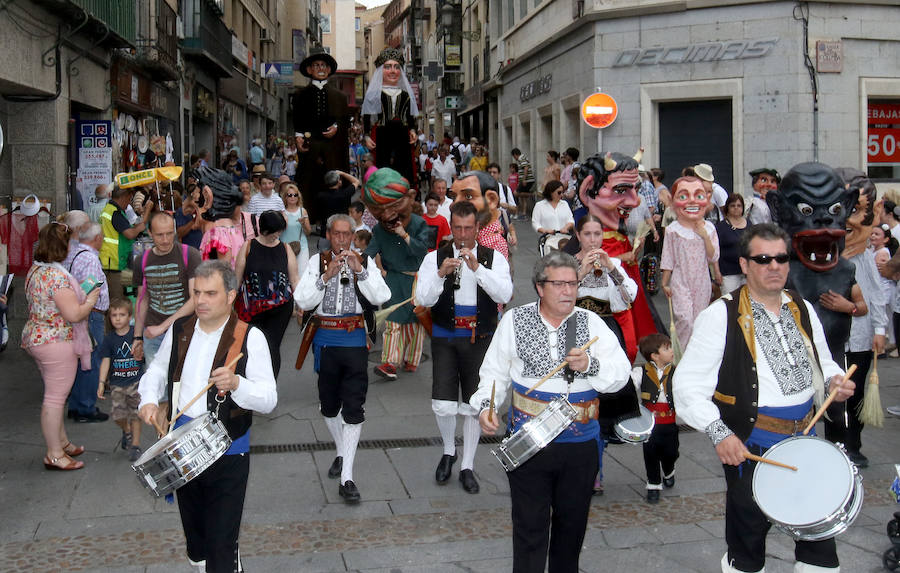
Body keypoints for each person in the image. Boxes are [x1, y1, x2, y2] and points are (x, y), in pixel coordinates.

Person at [674, 223, 854, 573]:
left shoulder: (801, 306)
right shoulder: (720, 316)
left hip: (806, 440)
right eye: (763, 259)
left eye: (781, 258)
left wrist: (834, 380)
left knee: (818, 545)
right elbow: (686, 386)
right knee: (748, 549)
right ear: (744, 265)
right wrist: (719, 432)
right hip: (752, 448)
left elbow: (822, 357)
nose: (774, 266)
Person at [472, 251, 631, 573]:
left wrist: (591, 364)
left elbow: (621, 375)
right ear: (539, 287)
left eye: (573, 284)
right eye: (559, 284)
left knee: (571, 531)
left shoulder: (591, 322)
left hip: (581, 444)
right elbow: (494, 373)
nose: (568, 291)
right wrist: (487, 406)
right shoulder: (515, 320)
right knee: (529, 528)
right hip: (530, 443)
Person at [138, 260, 277, 572]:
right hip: (183, 448)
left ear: (230, 296)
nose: (200, 300)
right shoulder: (181, 329)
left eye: (210, 293)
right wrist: (148, 400)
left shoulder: (250, 337)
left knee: (220, 546)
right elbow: (158, 369)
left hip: (229, 451)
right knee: (197, 545)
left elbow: (269, 399)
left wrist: (237, 384)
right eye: (196, 292)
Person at [415, 201, 513, 493]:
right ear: (451, 226)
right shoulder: (435, 257)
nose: (462, 235)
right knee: (443, 403)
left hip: (480, 336)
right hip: (446, 334)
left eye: (468, 228)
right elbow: (423, 298)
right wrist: (440, 274)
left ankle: (468, 465)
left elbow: (505, 293)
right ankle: (449, 450)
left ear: (477, 228)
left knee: (475, 404)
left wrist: (478, 269)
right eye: (457, 228)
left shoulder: (494, 258)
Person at [294, 214, 391, 503]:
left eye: (346, 235)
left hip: (355, 339)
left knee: (353, 405)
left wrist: (360, 271)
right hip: (325, 340)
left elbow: (381, 295)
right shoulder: (316, 261)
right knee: (327, 406)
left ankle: (347, 475)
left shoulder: (365, 261)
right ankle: (341, 450)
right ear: (328, 234)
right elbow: (303, 300)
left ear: (353, 236)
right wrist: (326, 276)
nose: (341, 240)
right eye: (336, 234)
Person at [23, 221, 100, 470]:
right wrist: (91, 299)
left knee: (54, 395)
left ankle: (62, 443)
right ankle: (55, 454)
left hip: (38, 336)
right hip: (56, 341)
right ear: (63, 246)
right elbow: (75, 314)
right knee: (55, 399)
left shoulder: (36, 270)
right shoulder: (56, 277)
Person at [825, 168, 887, 468]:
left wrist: (879, 328)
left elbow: (877, 297)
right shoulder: (822, 258)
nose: (848, 219)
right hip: (831, 339)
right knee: (832, 392)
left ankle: (854, 443)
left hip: (860, 338)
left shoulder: (864, 260)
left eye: (856, 210)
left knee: (857, 392)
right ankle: (834, 442)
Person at [361, 169, 431, 380]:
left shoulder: (419, 224)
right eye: (379, 210)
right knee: (392, 321)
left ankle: (411, 358)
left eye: (393, 206)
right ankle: (390, 362)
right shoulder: (380, 231)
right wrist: (356, 263)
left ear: (409, 198)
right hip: (392, 279)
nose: (387, 215)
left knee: (414, 321)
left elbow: (421, 250)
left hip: (415, 279)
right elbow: (370, 253)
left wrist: (404, 234)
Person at [233, 211, 300, 378]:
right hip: (251, 308)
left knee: (271, 345)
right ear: (264, 230)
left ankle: (269, 386)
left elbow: (295, 280)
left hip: (280, 307)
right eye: (275, 231)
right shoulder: (248, 247)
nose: (277, 235)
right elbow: (237, 279)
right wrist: (228, 304)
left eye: (280, 231)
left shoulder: (285, 249)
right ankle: (251, 381)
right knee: (251, 346)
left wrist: (302, 305)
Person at [660, 176, 720, 347]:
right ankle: (682, 358)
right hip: (680, 280)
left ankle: (697, 357)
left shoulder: (710, 228)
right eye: (683, 196)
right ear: (673, 202)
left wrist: (704, 235)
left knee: (700, 322)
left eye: (699, 196)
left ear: (707, 200)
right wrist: (665, 283)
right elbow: (668, 257)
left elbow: (713, 257)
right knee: (685, 320)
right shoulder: (673, 230)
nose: (692, 201)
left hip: (702, 280)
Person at [292, 47, 350, 225]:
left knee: (333, 179)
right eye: (316, 65)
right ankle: (309, 217)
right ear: (309, 70)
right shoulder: (300, 95)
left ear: (329, 69)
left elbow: (344, 120)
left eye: (323, 65)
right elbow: (297, 120)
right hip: (310, 145)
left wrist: (337, 127)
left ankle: (333, 218)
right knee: (309, 180)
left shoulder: (340, 96)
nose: (320, 68)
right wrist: (298, 137)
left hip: (332, 146)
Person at [62, 218, 111, 423]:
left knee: (80, 360)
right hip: (90, 314)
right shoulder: (90, 259)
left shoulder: (72, 252)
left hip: (77, 313)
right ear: (97, 238)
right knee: (91, 360)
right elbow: (89, 286)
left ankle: (76, 404)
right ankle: (86, 407)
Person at [631, 333, 678, 503]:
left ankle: (669, 469)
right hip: (649, 422)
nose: (672, 351)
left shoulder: (675, 371)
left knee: (671, 452)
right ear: (655, 356)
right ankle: (653, 485)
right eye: (667, 348)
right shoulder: (641, 371)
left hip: (669, 421)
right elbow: (630, 385)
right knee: (650, 453)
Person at [362, 48, 419, 186]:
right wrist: (367, 135)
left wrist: (412, 130)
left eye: (396, 67)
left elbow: (410, 116)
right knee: (383, 167)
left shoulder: (405, 94)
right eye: (388, 67)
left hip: (402, 135)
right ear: (381, 70)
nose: (393, 71)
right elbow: (367, 117)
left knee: (403, 169)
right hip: (382, 134)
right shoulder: (374, 94)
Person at [97, 298, 144, 461]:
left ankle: (135, 445)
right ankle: (127, 430)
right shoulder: (109, 339)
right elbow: (105, 360)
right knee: (118, 416)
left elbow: (144, 355)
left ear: (129, 316)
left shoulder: (136, 335)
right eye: (114, 315)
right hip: (117, 384)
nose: (117, 318)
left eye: (122, 315)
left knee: (136, 414)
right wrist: (101, 383)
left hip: (135, 382)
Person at [100, 184, 152, 299]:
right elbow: (130, 234)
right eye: (129, 199)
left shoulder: (113, 209)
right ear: (123, 196)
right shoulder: (115, 213)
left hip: (117, 261)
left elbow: (134, 223)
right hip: (114, 263)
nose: (129, 203)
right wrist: (145, 216)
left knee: (124, 296)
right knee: (117, 300)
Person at [716, 193, 749, 293]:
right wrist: (717, 272)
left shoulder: (750, 224)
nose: (736, 208)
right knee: (730, 303)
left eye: (739, 206)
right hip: (728, 273)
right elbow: (715, 252)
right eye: (732, 205)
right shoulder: (721, 227)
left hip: (748, 272)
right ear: (727, 207)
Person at [280, 182, 311, 273]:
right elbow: (277, 233)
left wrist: (303, 224)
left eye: (295, 195)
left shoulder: (303, 211)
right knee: (287, 274)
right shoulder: (281, 212)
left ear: (298, 197)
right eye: (290, 195)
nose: (293, 197)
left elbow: (308, 232)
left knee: (302, 274)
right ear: (285, 197)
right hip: (285, 247)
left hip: (301, 247)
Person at [175, 185, 205, 250]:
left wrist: (197, 209)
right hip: (188, 250)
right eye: (198, 192)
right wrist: (193, 221)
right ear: (192, 194)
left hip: (200, 248)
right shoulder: (181, 211)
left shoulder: (199, 209)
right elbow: (179, 234)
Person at [512, 148, 535, 220]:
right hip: (525, 180)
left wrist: (524, 179)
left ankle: (532, 194)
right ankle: (524, 214)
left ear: (515, 155)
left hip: (527, 180)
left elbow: (526, 168)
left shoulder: (522, 158)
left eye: (514, 156)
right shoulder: (522, 159)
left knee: (515, 193)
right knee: (523, 197)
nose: (514, 158)